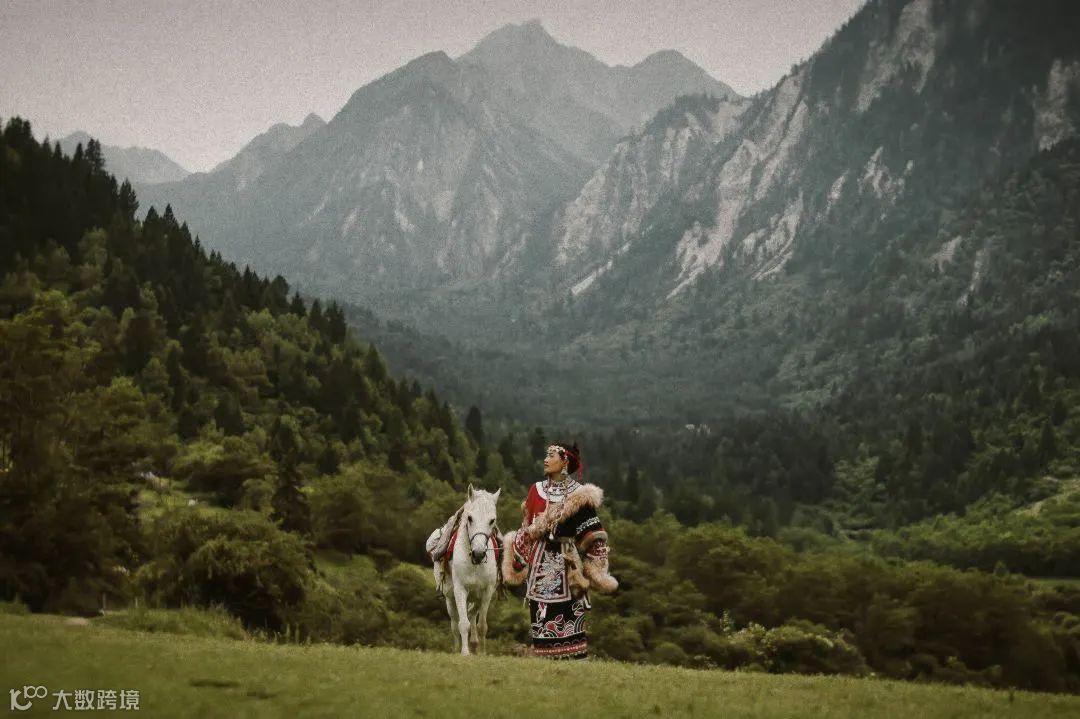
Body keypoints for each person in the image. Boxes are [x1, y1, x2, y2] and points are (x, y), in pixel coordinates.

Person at [501, 442, 618, 659]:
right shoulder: (535, 490)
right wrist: (516, 552)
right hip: (539, 563)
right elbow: (526, 528)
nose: (546, 459)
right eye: (546, 455)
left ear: (565, 461)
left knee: (569, 614)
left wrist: (595, 569)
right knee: (541, 615)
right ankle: (545, 659)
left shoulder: (579, 495)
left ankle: (573, 659)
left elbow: (593, 534)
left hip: (566, 564)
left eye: (551, 455)